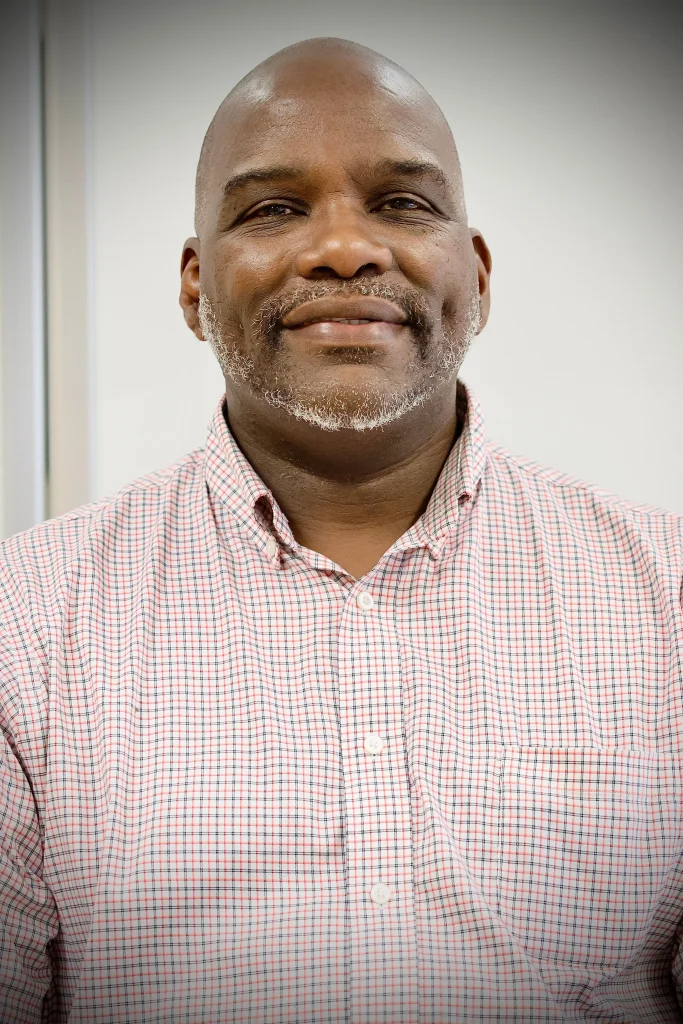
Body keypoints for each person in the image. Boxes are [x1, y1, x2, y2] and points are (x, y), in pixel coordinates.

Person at [1, 34, 682, 1024]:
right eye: (272, 210)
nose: (343, 248)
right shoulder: (23, 620)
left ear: (477, 275)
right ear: (193, 285)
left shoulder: (666, 598)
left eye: (401, 203)